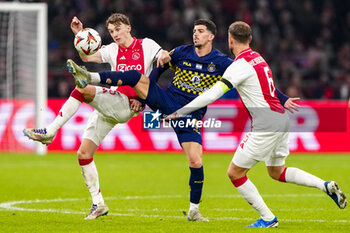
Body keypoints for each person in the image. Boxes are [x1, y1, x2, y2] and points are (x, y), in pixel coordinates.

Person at [67, 19, 298, 222]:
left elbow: (255, 80)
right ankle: (90, 76)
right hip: (168, 100)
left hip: (191, 115)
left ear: (211, 36)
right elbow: (158, 68)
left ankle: (194, 211)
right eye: (194, 30)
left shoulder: (222, 62)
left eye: (200, 31)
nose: (195, 34)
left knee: (196, 162)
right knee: (136, 77)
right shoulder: (180, 52)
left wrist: (283, 97)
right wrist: (143, 92)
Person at [164, 21, 347, 227]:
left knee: (234, 173)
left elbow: (213, 94)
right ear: (250, 39)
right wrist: (283, 96)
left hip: (266, 123)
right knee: (277, 171)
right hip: (281, 118)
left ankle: (268, 219)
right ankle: (325, 186)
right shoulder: (257, 57)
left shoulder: (239, 66)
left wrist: (181, 111)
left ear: (230, 40)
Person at [23, 13, 164, 220]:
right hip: (111, 104)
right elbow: (87, 57)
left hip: (126, 104)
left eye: (118, 29)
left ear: (128, 28)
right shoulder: (112, 50)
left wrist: (143, 99)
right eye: (111, 31)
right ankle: (98, 204)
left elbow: (162, 62)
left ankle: (50, 132)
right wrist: (79, 34)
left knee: (83, 90)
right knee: (83, 154)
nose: (115, 34)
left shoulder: (147, 45)